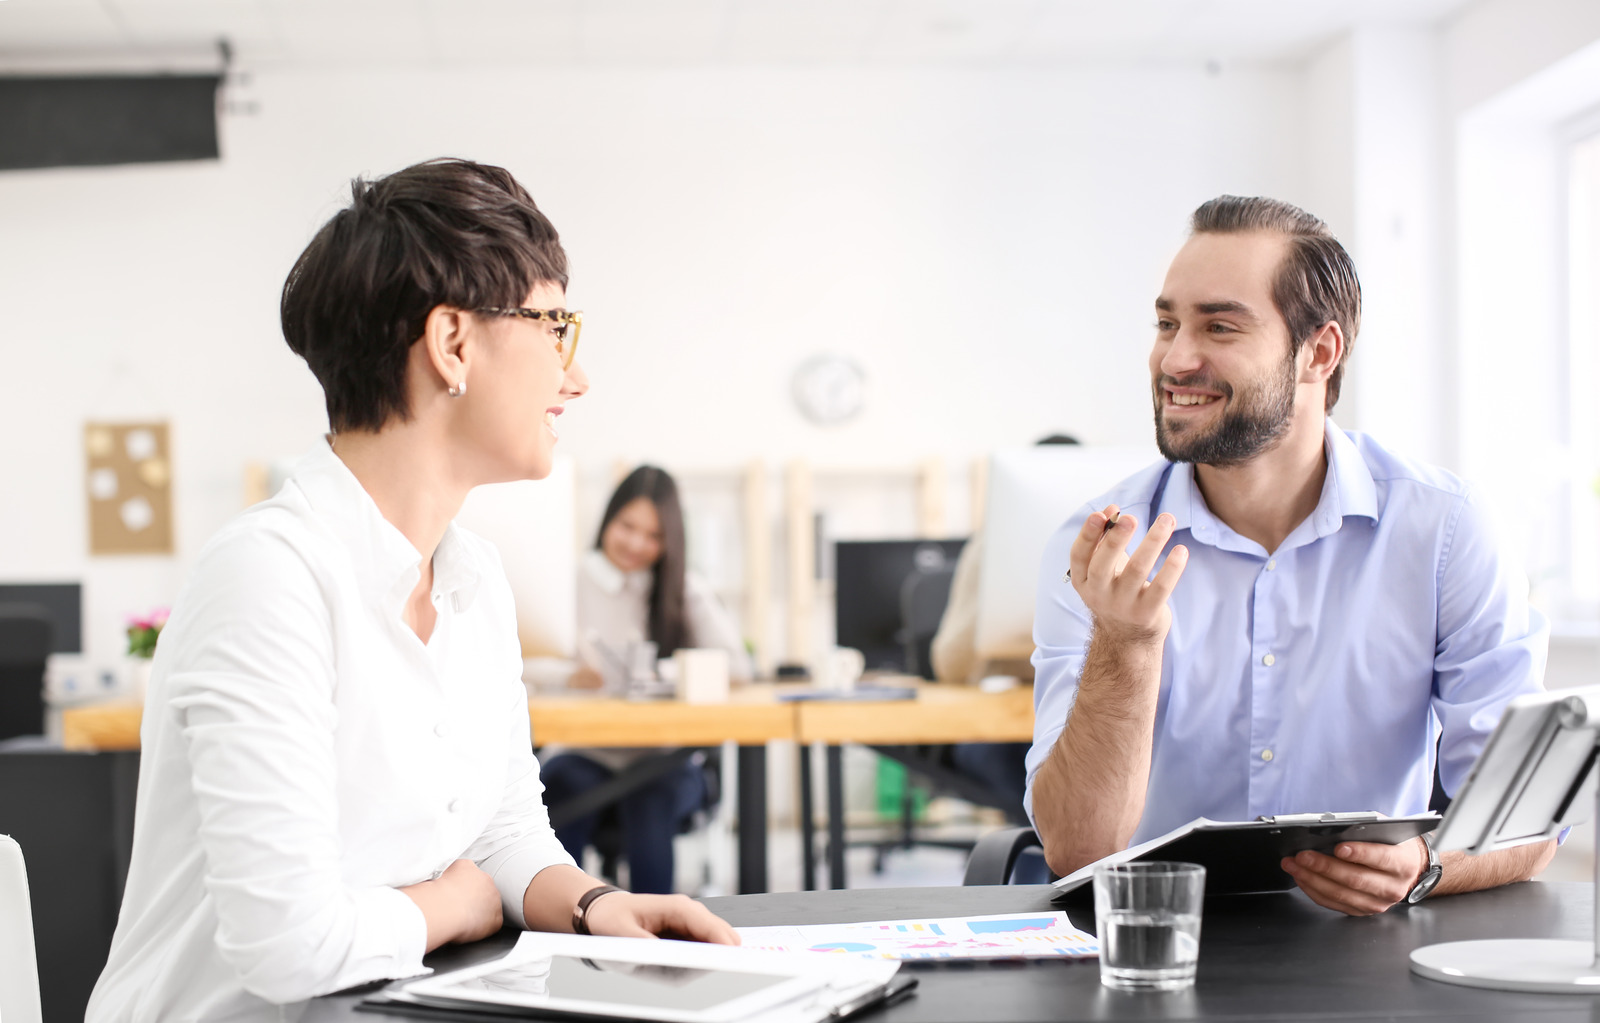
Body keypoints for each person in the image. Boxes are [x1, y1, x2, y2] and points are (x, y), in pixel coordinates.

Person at [87, 159, 737, 1023]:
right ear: (453, 343)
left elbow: (500, 829)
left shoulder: (475, 581)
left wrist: (592, 905)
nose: (575, 378)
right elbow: (287, 944)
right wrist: (454, 907)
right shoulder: (267, 577)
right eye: (555, 328)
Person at [1025, 195, 1557, 916]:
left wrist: (1426, 866)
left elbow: (1526, 812)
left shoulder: (1446, 531)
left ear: (1320, 352)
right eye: (1166, 323)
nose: (1176, 358)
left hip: (1365, 950)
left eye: (1219, 325)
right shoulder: (1102, 547)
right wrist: (1126, 645)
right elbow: (1078, 850)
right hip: (1157, 944)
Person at [541, 466, 753, 894]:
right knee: (562, 785)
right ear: (607, 520)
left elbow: (739, 669)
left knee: (650, 795)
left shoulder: (681, 588)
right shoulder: (564, 580)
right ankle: (560, 925)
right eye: (627, 527)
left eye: (654, 536)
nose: (637, 544)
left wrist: (664, 672)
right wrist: (569, 675)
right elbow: (517, 662)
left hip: (665, 758)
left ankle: (651, 935)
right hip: (585, 751)